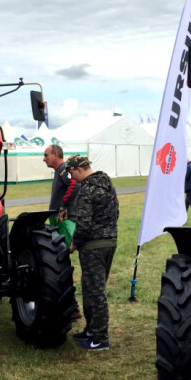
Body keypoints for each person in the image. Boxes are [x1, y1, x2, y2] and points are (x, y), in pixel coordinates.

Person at [66, 155, 118, 351]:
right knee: (91, 289)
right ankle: (91, 329)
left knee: (95, 292)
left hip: (92, 246)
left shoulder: (86, 190)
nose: (72, 178)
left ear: (79, 169)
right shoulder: (108, 185)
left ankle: (100, 338)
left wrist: (74, 244)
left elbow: (84, 224)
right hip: (109, 242)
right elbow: (116, 213)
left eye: (71, 173)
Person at [42, 144, 82, 320]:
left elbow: (74, 185)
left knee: (61, 262)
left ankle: (72, 307)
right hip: (59, 221)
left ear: (56, 155)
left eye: (46, 155)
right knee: (60, 261)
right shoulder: (60, 171)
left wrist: (63, 207)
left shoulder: (65, 169)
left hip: (64, 222)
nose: (44, 159)